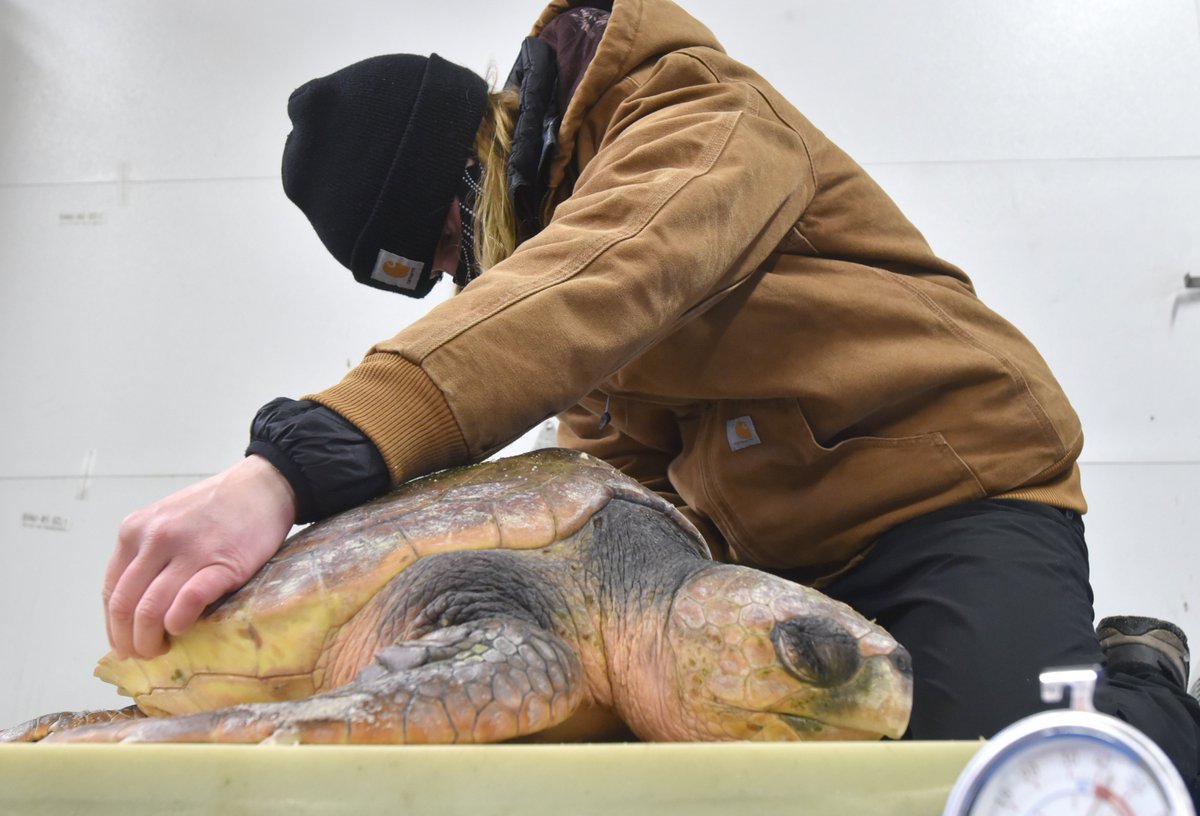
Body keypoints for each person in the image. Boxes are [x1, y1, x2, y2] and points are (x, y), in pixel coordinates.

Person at [104, 0, 1200, 795]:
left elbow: (601, 281)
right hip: (776, 555)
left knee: (983, 784)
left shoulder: (691, 120)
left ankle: (1135, 681)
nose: (462, 279)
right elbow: (607, 466)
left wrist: (299, 460)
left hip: (948, 493)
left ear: (467, 168)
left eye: (444, 250)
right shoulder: (567, 240)